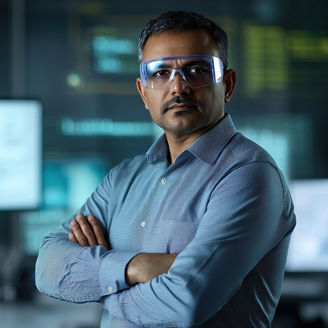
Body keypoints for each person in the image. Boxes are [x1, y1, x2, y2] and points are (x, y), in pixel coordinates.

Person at [35, 10, 296, 328]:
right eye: (160, 73)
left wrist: (98, 285)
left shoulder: (250, 175)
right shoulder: (124, 178)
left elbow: (186, 302)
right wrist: (137, 266)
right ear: (143, 92)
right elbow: (47, 267)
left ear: (227, 84)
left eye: (197, 70)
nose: (178, 87)